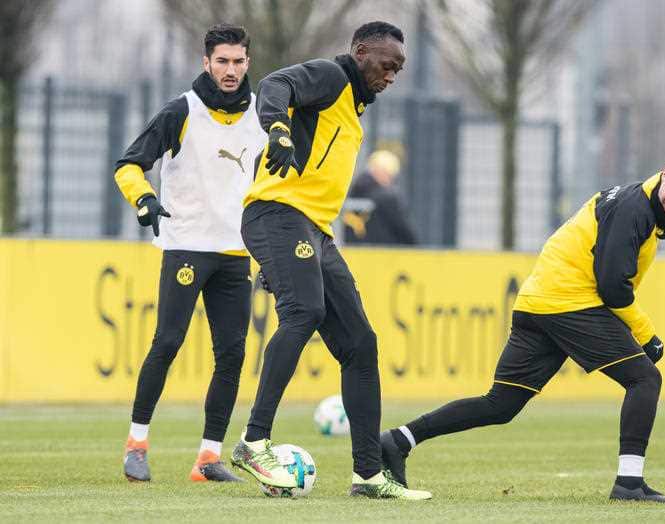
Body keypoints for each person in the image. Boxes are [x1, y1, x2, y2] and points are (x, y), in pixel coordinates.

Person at [380, 149, 665, 502]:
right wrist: (647, 335)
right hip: (569, 304)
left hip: (538, 303)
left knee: (500, 404)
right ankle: (629, 484)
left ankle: (398, 440)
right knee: (645, 378)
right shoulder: (635, 208)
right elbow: (612, 286)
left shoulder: (639, 203)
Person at [230, 22, 431, 500]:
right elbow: (275, 84)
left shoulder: (354, 111)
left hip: (312, 231)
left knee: (361, 343)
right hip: (277, 215)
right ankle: (253, 442)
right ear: (360, 53)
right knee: (305, 313)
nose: (392, 75)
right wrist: (278, 129)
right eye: (387, 64)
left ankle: (368, 475)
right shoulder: (333, 77)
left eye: (399, 69)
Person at [115, 24, 265, 483]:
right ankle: (136, 444)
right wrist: (143, 199)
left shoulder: (262, 113)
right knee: (168, 341)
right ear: (206, 63)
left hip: (235, 253)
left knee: (234, 353)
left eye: (239, 61)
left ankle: (208, 458)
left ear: (247, 63)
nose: (231, 70)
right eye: (222, 61)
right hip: (185, 246)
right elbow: (130, 164)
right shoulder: (182, 110)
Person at [344, 149, 417, 245]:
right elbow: (404, 231)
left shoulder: (353, 193)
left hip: (353, 253)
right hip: (385, 254)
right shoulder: (388, 198)